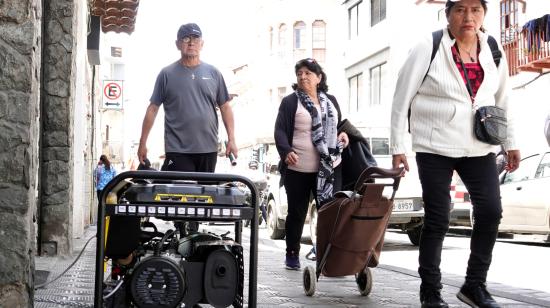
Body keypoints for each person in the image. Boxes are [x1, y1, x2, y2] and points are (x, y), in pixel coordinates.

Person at [390, 1, 521, 307]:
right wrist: (398, 147)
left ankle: (475, 285)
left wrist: (511, 142)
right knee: (437, 218)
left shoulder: (492, 47)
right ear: (447, 13)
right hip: (434, 144)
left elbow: (503, 98)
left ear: (483, 14)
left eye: (476, 9)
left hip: (479, 144)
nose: (468, 17)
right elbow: (401, 98)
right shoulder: (429, 46)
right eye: (460, 9)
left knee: (490, 212)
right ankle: (430, 293)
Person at [274, 58, 349, 270]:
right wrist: (286, 151)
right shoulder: (290, 102)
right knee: (297, 213)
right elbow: (280, 130)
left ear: (319, 78)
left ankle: (325, 252)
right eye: (299, 73)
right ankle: (292, 253)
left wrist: (344, 134)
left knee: (328, 213)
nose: (303, 77)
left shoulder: (331, 101)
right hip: (298, 169)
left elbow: (339, 125)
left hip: (327, 169)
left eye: (308, 73)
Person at [137, 22, 237, 173]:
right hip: (177, 150)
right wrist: (142, 143)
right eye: (185, 39)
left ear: (202, 44)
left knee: (206, 194)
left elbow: (225, 107)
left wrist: (232, 139)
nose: (191, 43)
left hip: (208, 149)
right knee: (181, 193)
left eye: (195, 39)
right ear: (177, 44)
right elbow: (152, 109)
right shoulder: (166, 74)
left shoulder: (214, 73)